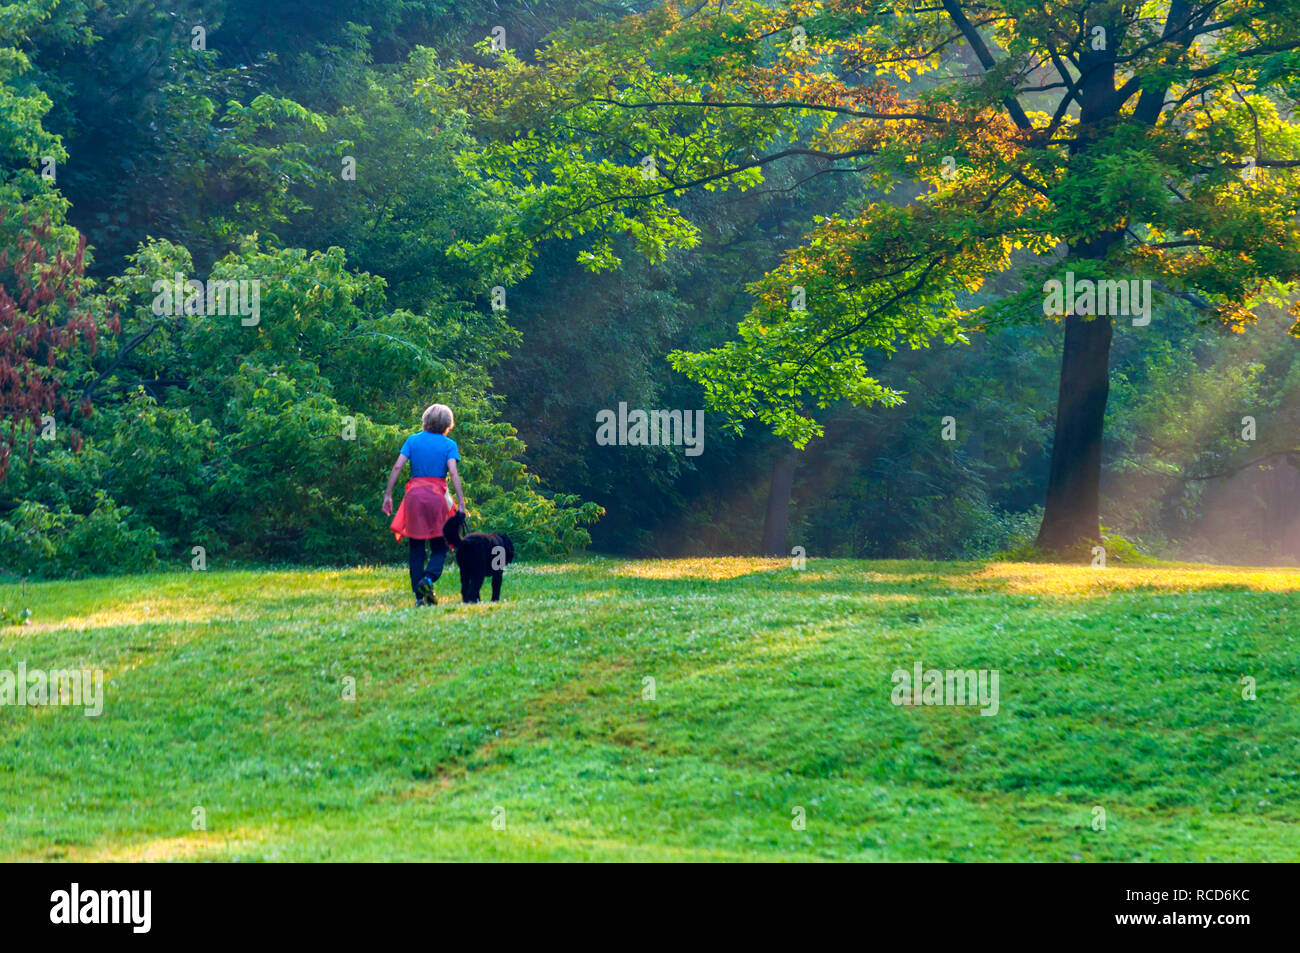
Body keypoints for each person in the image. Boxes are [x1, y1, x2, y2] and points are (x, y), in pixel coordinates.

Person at [382, 403, 467, 605]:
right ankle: (428, 579)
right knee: (441, 545)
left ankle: (420, 597)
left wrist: (388, 495)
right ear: (448, 424)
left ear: (425, 420)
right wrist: (461, 501)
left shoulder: (412, 440)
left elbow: (397, 466)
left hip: (415, 497)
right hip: (438, 497)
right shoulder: (449, 445)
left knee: (416, 548)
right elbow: (453, 473)